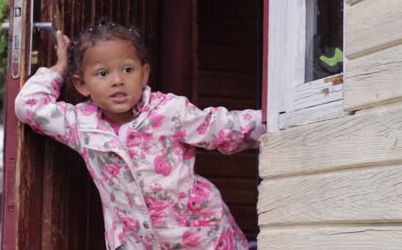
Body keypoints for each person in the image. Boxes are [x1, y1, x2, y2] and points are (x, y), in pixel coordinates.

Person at [15, 19, 266, 250]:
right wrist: (60, 68)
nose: (117, 81)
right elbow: (29, 106)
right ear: (82, 85)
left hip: (202, 235)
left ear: (144, 74)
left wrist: (274, 119)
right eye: (102, 73)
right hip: (138, 244)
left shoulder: (169, 111)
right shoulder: (81, 125)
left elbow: (224, 127)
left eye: (127, 70)